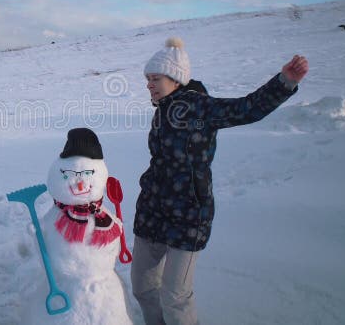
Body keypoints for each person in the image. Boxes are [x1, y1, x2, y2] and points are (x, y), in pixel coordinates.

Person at [131, 37, 309, 325]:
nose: (148, 85)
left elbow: (246, 109)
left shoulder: (202, 107)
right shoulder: (162, 110)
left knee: (175, 295)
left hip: (188, 214)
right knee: (143, 287)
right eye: (147, 79)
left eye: (155, 78)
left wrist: (284, 83)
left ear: (176, 79)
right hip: (152, 212)